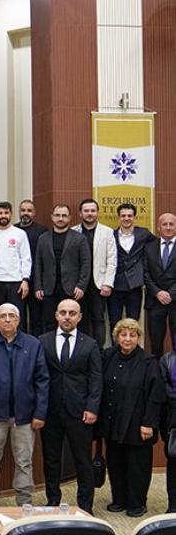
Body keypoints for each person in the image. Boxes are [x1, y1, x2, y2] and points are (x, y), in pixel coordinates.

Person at [0, 303, 48, 518]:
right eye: (3, 316)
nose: (7, 319)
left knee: (24, 462)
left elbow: (42, 380)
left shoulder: (33, 344)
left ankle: (24, 503)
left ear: (18, 320)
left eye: (11, 316)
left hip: (25, 417)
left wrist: (40, 413)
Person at [39, 299, 101, 514]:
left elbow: (96, 379)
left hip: (81, 412)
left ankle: (85, 505)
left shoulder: (90, 344)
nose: (67, 316)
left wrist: (92, 407)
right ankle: (53, 501)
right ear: (56, 315)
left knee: (83, 460)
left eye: (72, 313)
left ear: (79, 317)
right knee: (51, 459)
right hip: (50, 411)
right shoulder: (43, 341)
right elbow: (38, 377)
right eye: (63, 312)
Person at [99, 318, 165, 517]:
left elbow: (155, 396)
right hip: (113, 422)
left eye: (132, 335)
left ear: (138, 337)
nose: (127, 339)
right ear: (116, 336)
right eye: (123, 334)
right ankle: (119, 499)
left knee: (137, 467)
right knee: (115, 463)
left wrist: (148, 424)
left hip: (138, 424)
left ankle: (137, 503)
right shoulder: (108, 356)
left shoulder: (148, 361)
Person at [33, 204, 91, 333]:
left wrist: (81, 286)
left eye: (64, 215)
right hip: (49, 289)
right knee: (49, 323)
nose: (60, 218)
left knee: (73, 323)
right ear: (52, 217)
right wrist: (38, 286)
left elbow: (86, 264)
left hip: (72, 289)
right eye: (57, 215)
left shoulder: (79, 238)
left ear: (69, 218)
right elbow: (38, 264)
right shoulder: (43, 238)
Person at [71, 199, 116, 347]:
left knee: (98, 320)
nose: (89, 214)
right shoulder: (73, 231)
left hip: (99, 283)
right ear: (80, 213)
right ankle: (82, 351)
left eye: (92, 211)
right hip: (78, 285)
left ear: (97, 212)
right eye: (86, 211)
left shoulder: (107, 232)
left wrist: (108, 283)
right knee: (79, 319)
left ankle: (98, 353)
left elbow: (112, 260)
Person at [0, 202, 31, 324]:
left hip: (16, 282)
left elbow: (25, 258)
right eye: (0, 213)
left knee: (16, 318)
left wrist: (25, 280)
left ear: (11, 214)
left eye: (6, 213)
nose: (3, 216)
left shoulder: (20, 233)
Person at [109, 203, 153, 330]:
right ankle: (115, 344)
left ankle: (132, 344)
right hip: (115, 284)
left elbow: (156, 248)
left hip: (135, 285)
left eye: (129, 215)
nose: (126, 218)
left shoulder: (143, 234)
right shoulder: (111, 235)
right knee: (114, 322)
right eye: (123, 216)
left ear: (134, 217)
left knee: (133, 321)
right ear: (119, 217)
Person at [143, 212, 176, 357]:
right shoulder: (149, 247)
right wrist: (158, 292)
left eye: (171, 224)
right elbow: (145, 273)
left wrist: (170, 293)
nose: (168, 227)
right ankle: (157, 371)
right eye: (164, 224)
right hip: (155, 301)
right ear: (158, 227)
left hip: (175, 300)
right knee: (155, 344)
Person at [15, 199, 48, 336]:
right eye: (23, 210)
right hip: (18, 280)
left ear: (34, 213)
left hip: (36, 280)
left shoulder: (42, 231)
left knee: (36, 317)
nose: (26, 213)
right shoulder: (13, 230)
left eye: (29, 210)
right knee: (19, 316)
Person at [159, 336, 176, 512]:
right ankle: (173, 506)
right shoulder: (167, 360)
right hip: (173, 421)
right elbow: (164, 388)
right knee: (173, 467)